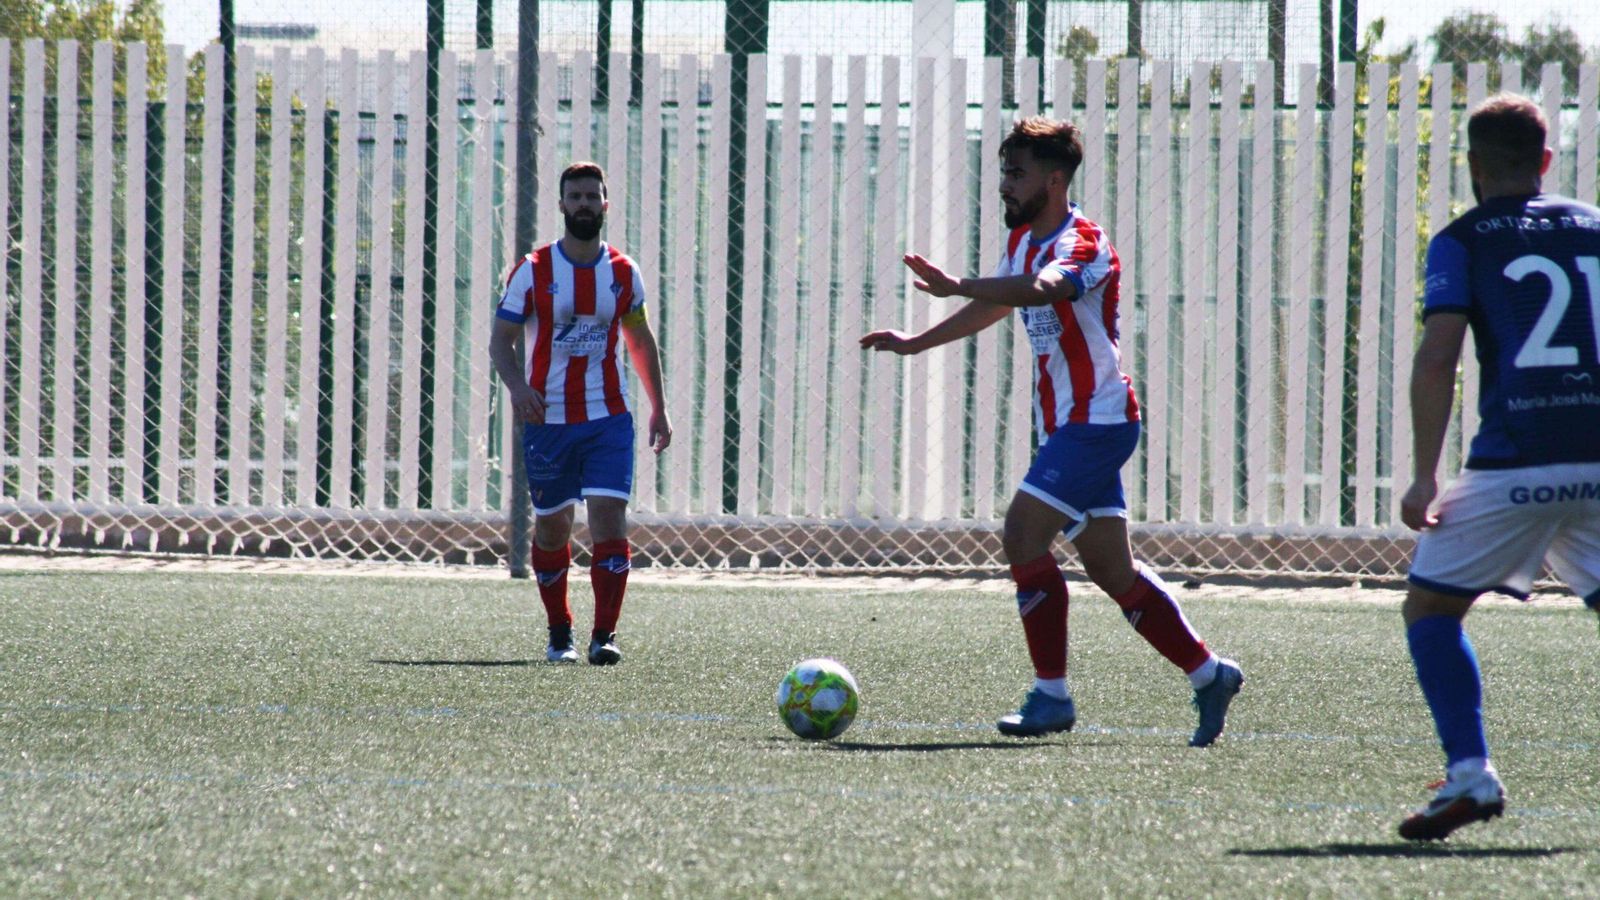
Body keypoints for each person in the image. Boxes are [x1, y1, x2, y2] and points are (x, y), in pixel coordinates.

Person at [860, 116, 1243, 746]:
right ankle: (1209, 675)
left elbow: (1044, 289)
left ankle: (1051, 695)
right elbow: (1000, 303)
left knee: (1021, 531)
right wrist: (916, 343)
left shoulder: (1083, 241)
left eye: (1017, 174)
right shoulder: (1024, 240)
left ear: (1055, 179)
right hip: (1071, 425)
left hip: (1099, 421)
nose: (1004, 186)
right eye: (1003, 173)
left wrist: (956, 281)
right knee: (1115, 575)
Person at [1396, 94, 1600, 841]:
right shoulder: (1596, 228)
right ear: (1546, 161)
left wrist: (1424, 475)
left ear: (1474, 166)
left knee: (1431, 609)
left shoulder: (1462, 238)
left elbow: (1439, 356)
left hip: (1517, 460)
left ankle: (1471, 774)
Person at [489, 161, 672, 666]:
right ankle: (559, 631)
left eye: (593, 196)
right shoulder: (533, 270)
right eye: (577, 197)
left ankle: (604, 636)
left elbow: (638, 340)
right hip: (547, 420)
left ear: (605, 205)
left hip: (607, 418)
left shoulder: (622, 272)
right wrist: (519, 387)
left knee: (610, 518)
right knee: (553, 527)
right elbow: (500, 342)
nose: (585, 204)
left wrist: (658, 407)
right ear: (563, 205)